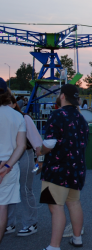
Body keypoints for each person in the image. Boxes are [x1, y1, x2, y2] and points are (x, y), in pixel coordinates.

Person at [31, 84, 88, 250]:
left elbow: (49, 144)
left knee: (56, 207)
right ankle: (77, 238)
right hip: (77, 169)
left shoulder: (57, 115)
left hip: (57, 169)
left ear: (62, 96)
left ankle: (54, 246)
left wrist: (39, 151)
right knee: (74, 203)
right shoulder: (81, 118)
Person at [6, 99, 43, 237]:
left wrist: (40, 160)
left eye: (9, 102)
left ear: (14, 104)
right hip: (7, 156)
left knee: (25, 189)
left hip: (24, 155)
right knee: (6, 190)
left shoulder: (24, 117)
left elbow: (37, 141)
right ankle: (8, 223)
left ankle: (30, 223)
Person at [0, 81, 27, 250]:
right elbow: (21, 145)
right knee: (2, 208)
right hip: (6, 168)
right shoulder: (17, 116)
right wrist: (8, 165)